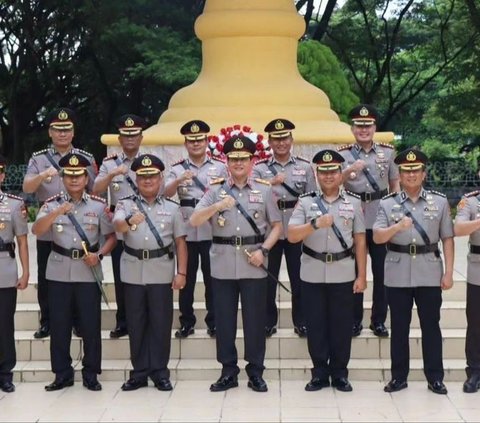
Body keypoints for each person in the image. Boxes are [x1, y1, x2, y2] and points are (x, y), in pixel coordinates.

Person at [190, 135, 282, 393]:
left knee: (254, 321)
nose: (238, 162)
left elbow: (277, 227)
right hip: (221, 263)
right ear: (226, 161)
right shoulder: (215, 189)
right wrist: (218, 205)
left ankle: (255, 371)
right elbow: (195, 220)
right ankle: (228, 371)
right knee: (224, 321)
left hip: (254, 261)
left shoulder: (264, 190)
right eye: (233, 158)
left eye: (243, 158)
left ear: (252, 161)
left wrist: (264, 251)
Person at [32, 153, 116, 392]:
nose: (74, 179)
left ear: (86, 177)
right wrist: (56, 213)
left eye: (79, 175)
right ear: (63, 178)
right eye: (69, 175)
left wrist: (99, 255)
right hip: (58, 272)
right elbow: (37, 230)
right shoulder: (51, 204)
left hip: (88, 271)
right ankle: (62, 373)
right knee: (59, 325)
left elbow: (111, 238)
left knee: (90, 325)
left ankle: (91, 373)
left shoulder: (98, 206)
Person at [372, 149, 454, 395]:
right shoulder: (387, 203)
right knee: (399, 327)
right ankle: (399, 377)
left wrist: (448, 272)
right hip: (397, 270)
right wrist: (397, 226)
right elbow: (377, 237)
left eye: (415, 170)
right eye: (406, 171)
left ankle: (435, 377)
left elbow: (448, 239)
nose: (410, 175)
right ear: (400, 173)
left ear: (424, 174)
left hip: (429, 270)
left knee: (431, 325)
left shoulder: (439, 202)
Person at [288, 149, 366, 392]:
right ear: (317, 174)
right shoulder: (306, 201)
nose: (329, 176)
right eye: (324, 172)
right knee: (316, 324)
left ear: (341, 174)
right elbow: (291, 235)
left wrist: (362, 275)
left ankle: (340, 373)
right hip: (312, 271)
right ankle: (320, 372)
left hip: (343, 271)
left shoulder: (353, 202)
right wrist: (314, 224)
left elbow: (360, 240)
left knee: (342, 325)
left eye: (333, 171)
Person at [113, 154, 187, 392]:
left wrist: (182, 273)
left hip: (161, 271)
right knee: (136, 323)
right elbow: (117, 226)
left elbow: (180, 243)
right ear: (136, 178)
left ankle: (160, 372)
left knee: (160, 323)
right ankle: (139, 372)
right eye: (143, 176)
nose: (147, 181)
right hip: (133, 270)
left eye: (152, 176)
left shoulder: (172, 208)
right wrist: (129, 221)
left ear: (160, 178)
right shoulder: (125, 204)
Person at [23, 107, 97, 339]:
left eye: (67, 129)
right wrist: (42, 176)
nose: (62, 134)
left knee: (78, 277)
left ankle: (77, 321)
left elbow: (94, 190)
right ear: (50, 132)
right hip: (50, 225)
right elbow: (27, 188)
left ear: (73, 132)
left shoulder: (86, 158)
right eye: (58, 129)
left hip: (80, 225)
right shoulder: (39, 159)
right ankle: (47, 320)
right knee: (46, 277)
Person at [338, 104, 400, 338]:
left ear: (374, 127)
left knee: (382, 271)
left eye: (368, 125)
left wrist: (395, 209)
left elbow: (394, 183)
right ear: (352, 128)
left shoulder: (387, 152)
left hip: (381, 217)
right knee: (356, 271)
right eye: (359, 126)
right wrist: (349, 170)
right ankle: (354, 320)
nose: (363, 130)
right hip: (354, 218)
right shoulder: (342, 154)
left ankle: (378, 320)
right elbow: (333, 184)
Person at [253, 118, 316, 338]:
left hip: (295, 229)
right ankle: (268, 321)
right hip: (270, 229)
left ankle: (302, 321)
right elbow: (252, 194)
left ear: (291, 140)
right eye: (276, 139)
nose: (281, 143)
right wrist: (271, 182)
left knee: (299, 278)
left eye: (285, 138)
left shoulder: (304, 166)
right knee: (268, 280)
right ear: (269, 141)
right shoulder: (260, 168)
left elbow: (313, 198)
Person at [164, 119, 227, 338]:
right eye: (191, 141)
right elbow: (165, 194)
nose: (196, 144)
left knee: (212, 278)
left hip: (211, 231)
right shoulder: (177, 168)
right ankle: (186, 322)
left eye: (200, 140)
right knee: (186, 279)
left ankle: (214, 322)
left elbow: (227, 195)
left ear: (207, 141)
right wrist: (179, 179)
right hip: (186, 231)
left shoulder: (219, 167)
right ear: (185, 143)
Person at [93, 114, 147, 339]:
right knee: (121, 274)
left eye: (134, 134)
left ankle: (145, 319)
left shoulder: (150, 160)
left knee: (145, 274)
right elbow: (96, 189)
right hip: (119, 223)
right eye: (126, 135)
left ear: (141, 137)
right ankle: (123, 320)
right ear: (120, 138)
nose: (130, 139)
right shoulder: (110, 163)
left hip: (145, 222)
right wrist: (114, 173)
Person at [0, 156, 29, 393]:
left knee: (4, 325)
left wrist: (26, 271)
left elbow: (21, 241)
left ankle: (5, 373)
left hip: (4, 269)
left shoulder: (13, 204)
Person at [454, 189, 480, 393]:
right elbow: (459, 229)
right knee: (476, 323)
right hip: (478, 270)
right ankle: (474, 372)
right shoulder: (470, 201)